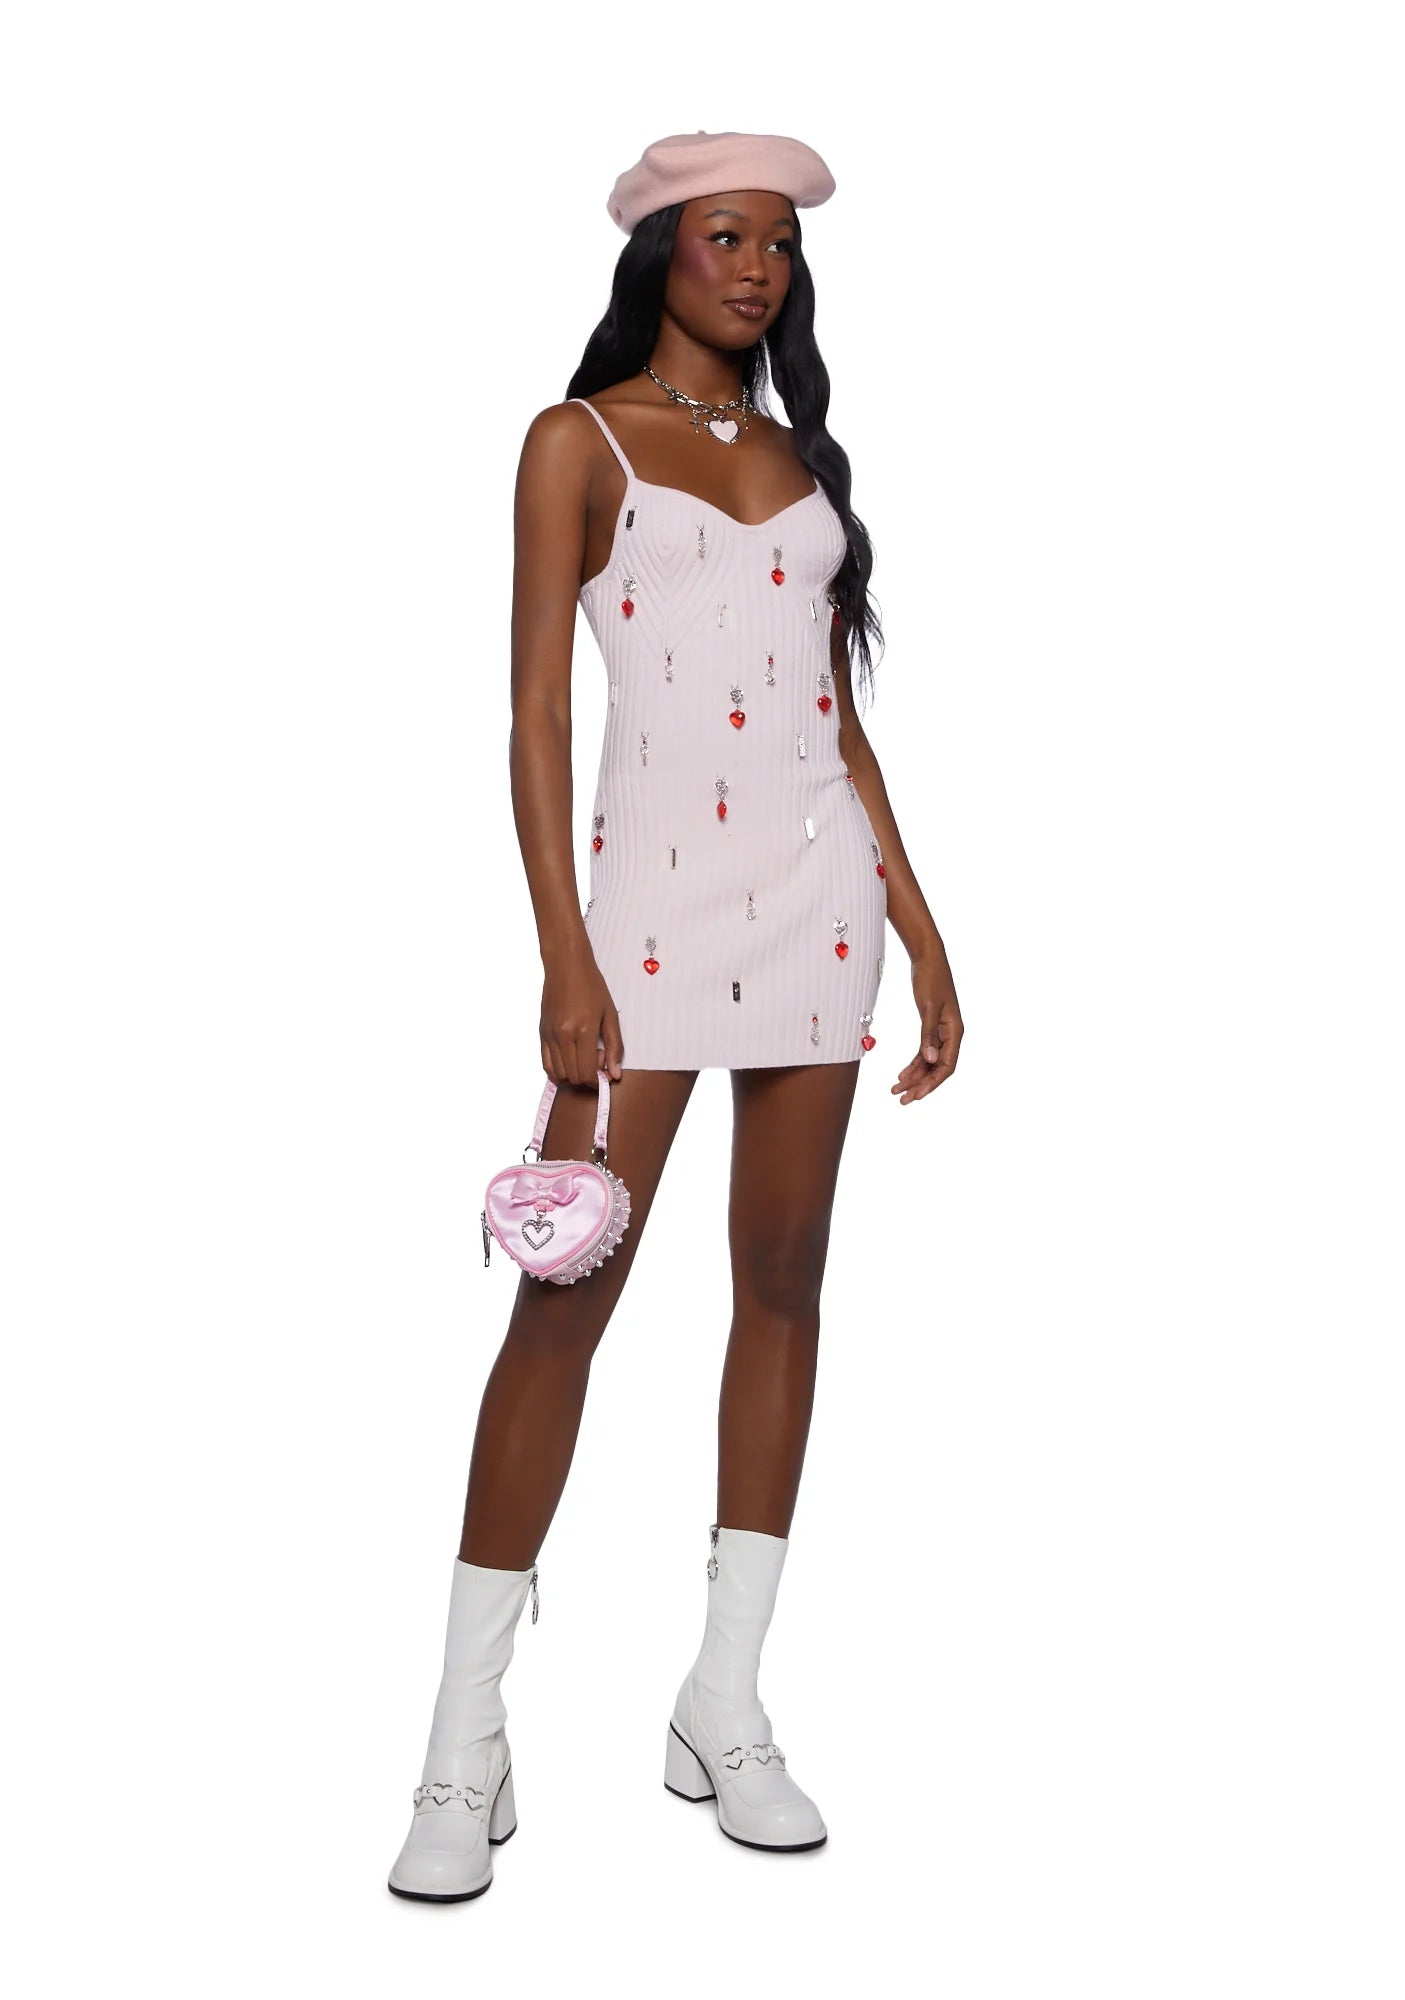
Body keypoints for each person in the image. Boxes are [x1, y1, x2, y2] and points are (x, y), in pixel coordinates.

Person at [388, 128, 963, 1901]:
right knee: (563, 1300)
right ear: (659, 254)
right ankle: (461, 1742)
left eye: (778, 242)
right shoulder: (578, 441)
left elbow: (831, 716)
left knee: (782, 1282)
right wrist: (561, 958)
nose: (758, 266)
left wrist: (920, 926)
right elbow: (534, 716)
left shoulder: (797, 456)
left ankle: (724, 1699)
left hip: (818, 909)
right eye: (726, 236)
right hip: (637, 922)